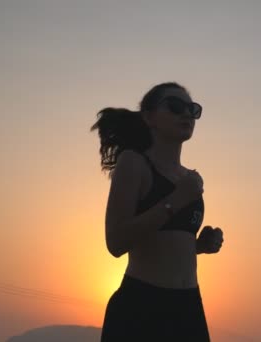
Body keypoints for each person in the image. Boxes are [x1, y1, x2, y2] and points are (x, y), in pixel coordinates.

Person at [90, 81, 224, 341]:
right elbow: (116, 242)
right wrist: (177, 199)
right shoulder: (134, 163)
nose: (186, 114)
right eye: (175, 106)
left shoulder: (188, 177)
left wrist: (198, 246)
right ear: (148, 117)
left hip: (189, 307)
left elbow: (160, 242)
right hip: (142, 308)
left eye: (192, 109)